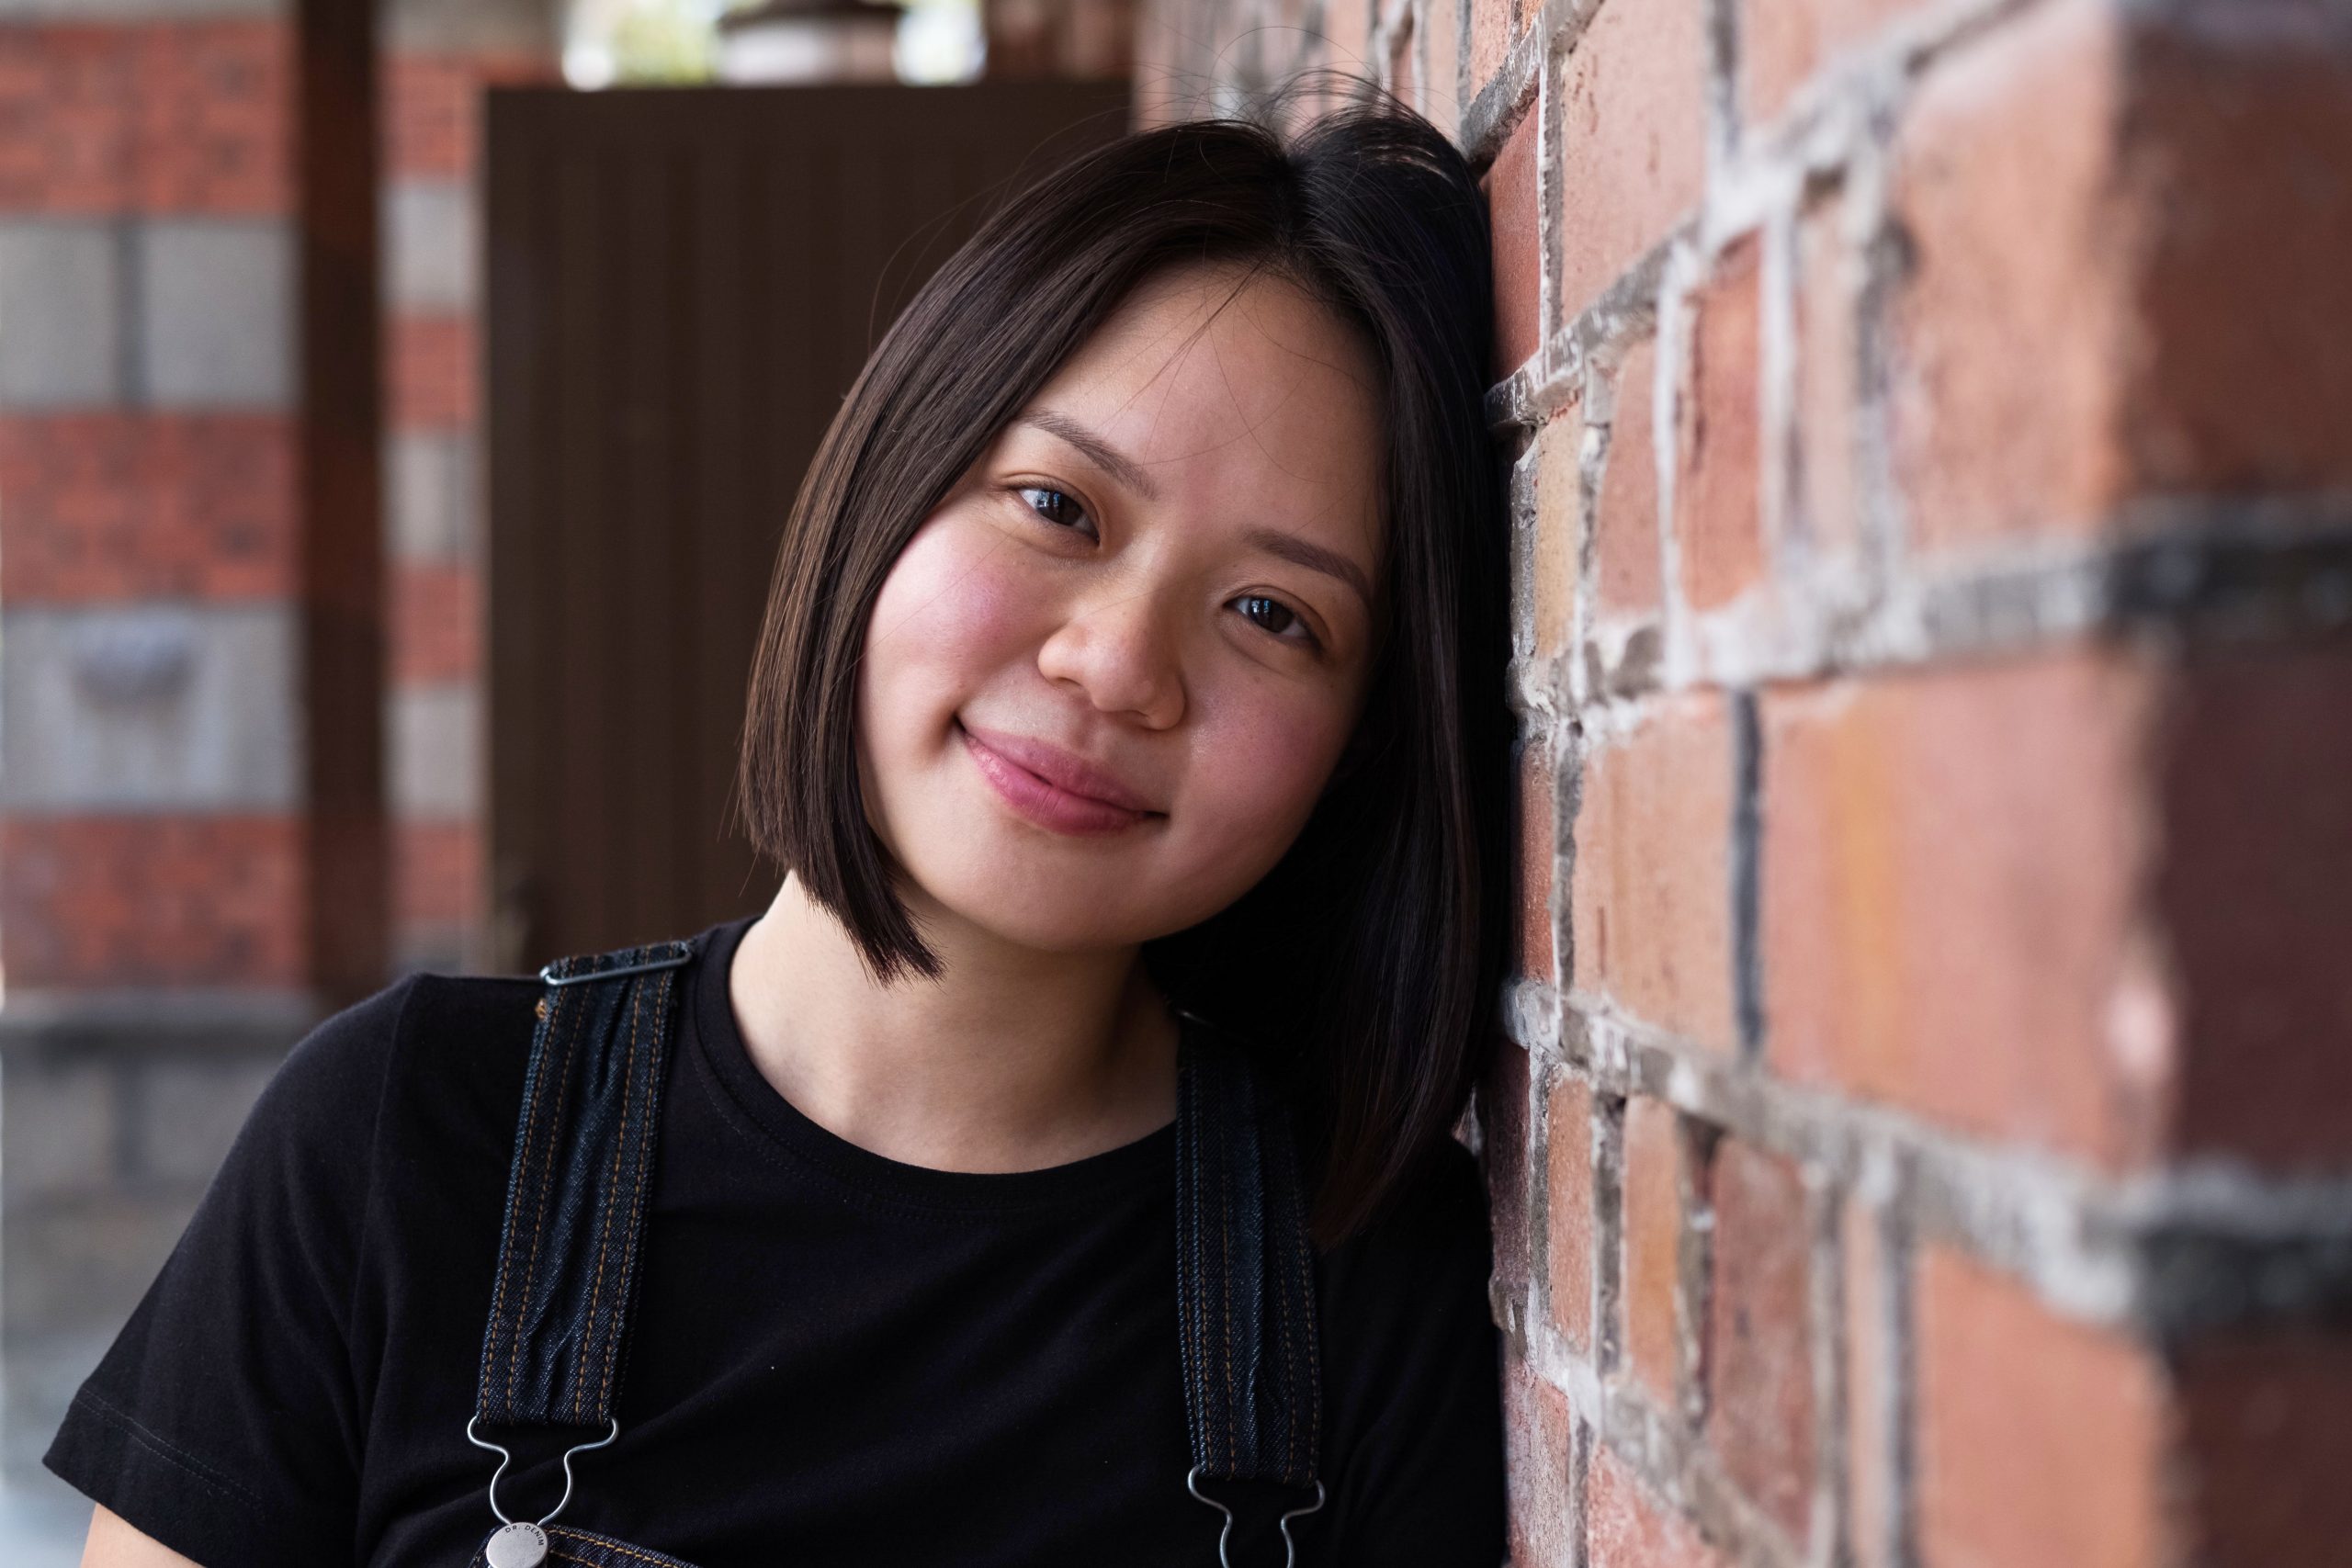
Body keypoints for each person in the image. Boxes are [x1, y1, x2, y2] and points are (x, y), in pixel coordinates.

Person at [48, 73, 1514, 1568]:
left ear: (1361, 743)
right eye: (1058, 508)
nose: (1119, 666)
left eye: (1273, 613)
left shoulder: (1361, 1283)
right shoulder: (406, 1137)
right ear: (890, 489)